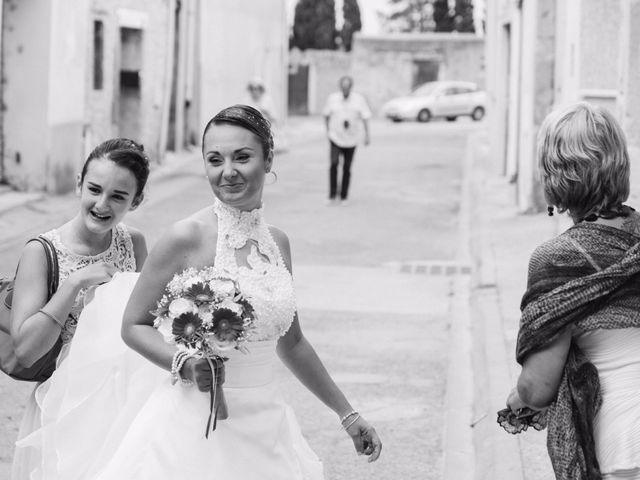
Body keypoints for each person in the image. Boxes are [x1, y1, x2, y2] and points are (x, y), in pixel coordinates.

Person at [21, 105, 381, 479]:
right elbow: (133, 325)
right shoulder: (186, 236)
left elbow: (292, 344)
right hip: (193, 426)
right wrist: (185, 362)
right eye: (215, 159)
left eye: (242, 157)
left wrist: (347, 413)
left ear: (268, 158)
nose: (228, 172)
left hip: (266, 423)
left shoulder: (278, 243)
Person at [500, 102, 640, 480]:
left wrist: (518, 399)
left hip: (624, 447)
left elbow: (539, 388)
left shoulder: (557, 261)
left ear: (555, 177)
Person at [10, 138, 150, 480]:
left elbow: (144, 322)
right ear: (78, 184)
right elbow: (26, 351)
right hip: (63, 407)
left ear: (136, 201)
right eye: (94, 189)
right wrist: (73, 284)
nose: (102, 204)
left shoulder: (134, 243)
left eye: (118, 196)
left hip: (123, 402)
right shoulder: (41, 252)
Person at [322, 75, 371, 206]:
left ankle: (344, 196)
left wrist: (367, 135)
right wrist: (328, 131)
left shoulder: (359, 100)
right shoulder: (332, 99)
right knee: (333, 164)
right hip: (335, 137)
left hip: (351, 139)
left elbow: (366, 117)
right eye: (343, 87)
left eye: (347, 87)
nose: (345, 89)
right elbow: (326, 115)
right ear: (340, 87)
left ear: (350, 87)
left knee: (347, 167)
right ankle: (332, 195)